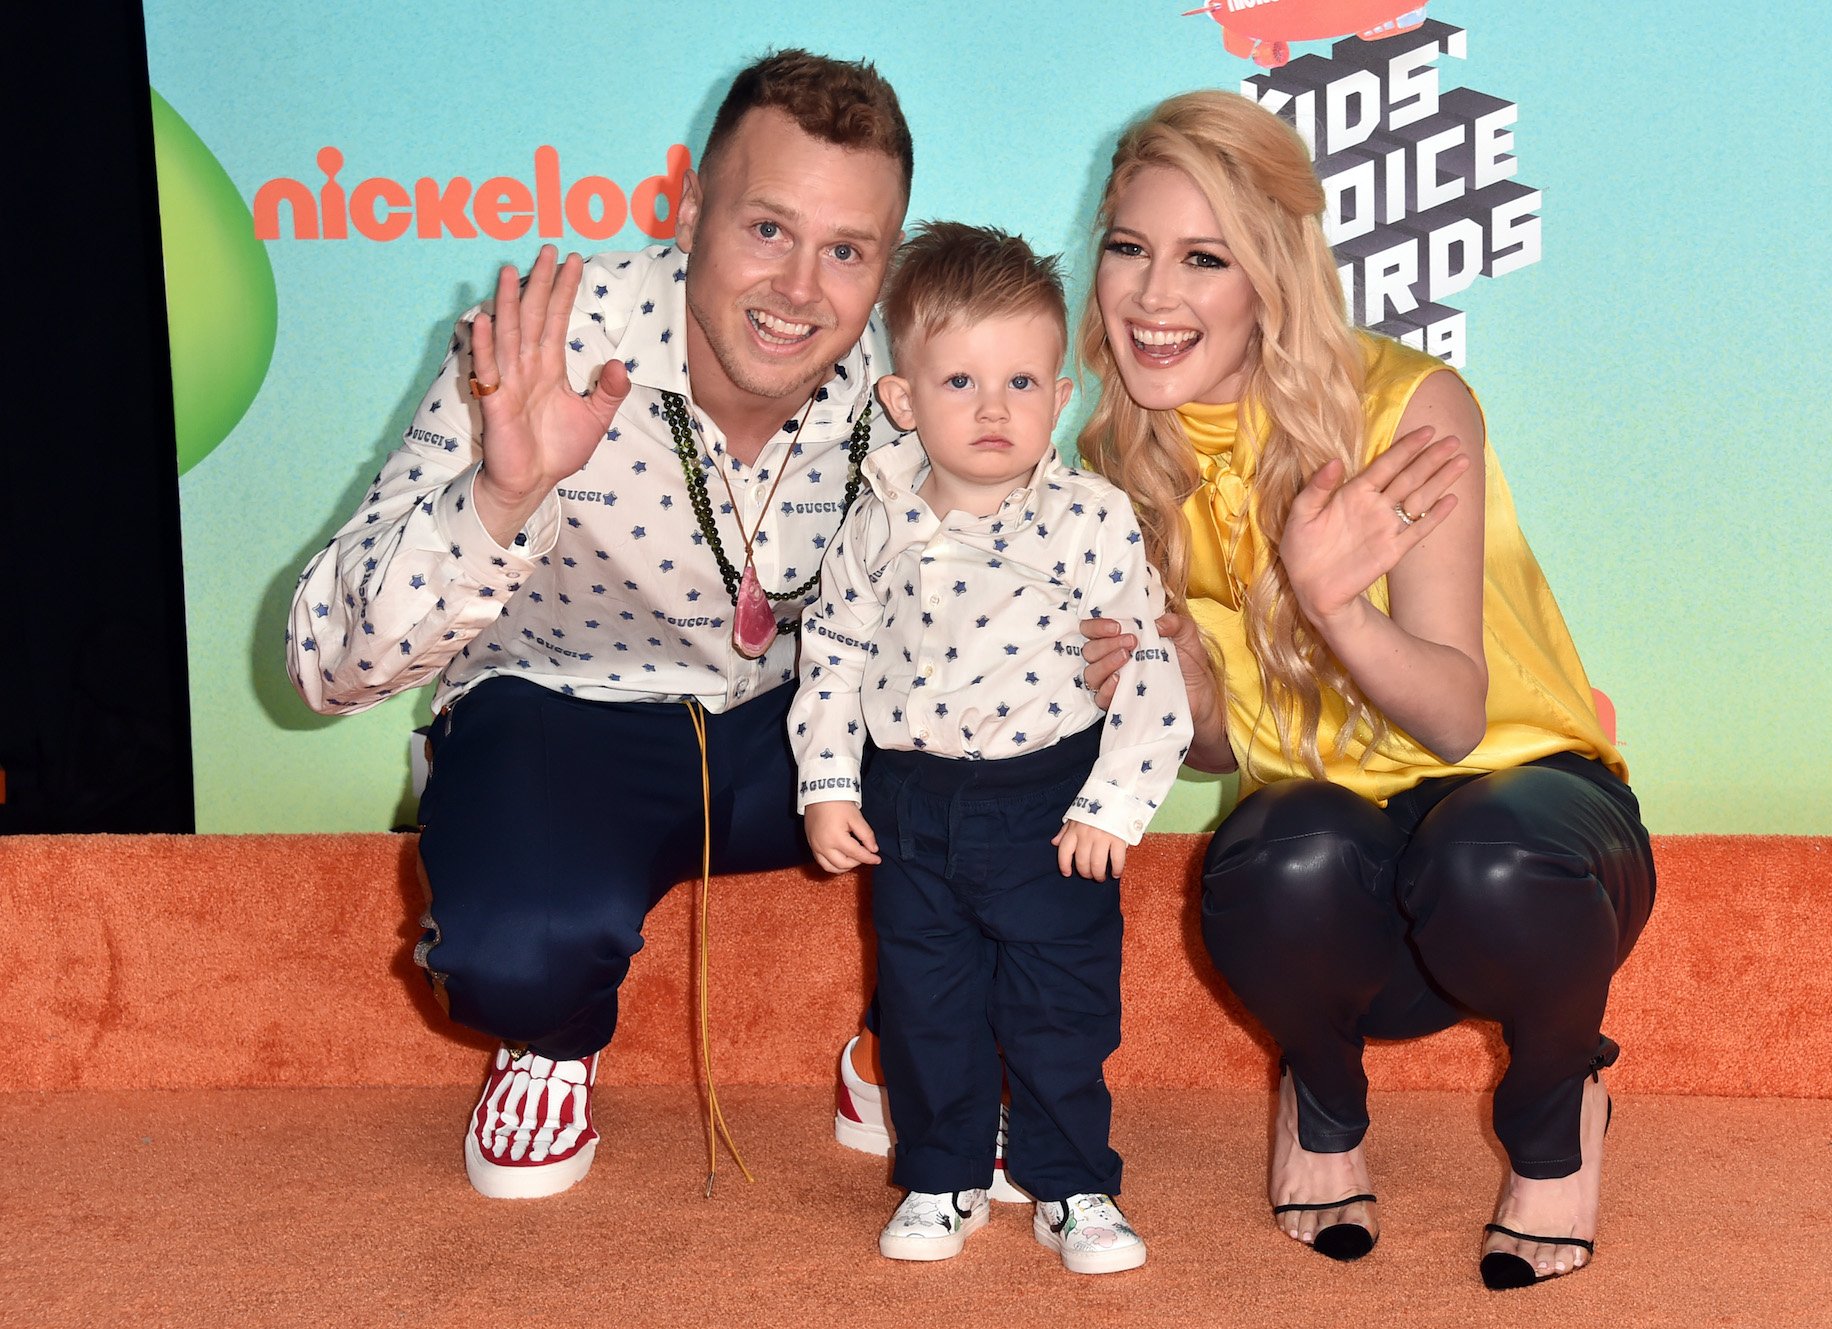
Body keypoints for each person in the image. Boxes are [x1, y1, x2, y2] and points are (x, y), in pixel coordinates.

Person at [285, 50, 923, 1200]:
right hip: (567, 714)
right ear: (687, 210)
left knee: (1018, 742)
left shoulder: (912, 383)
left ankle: (898, 1051)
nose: (798, 288)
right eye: (766, 228)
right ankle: (553, 1034)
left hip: (800, 730)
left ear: (885, 263)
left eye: (846, 251)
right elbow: (320, 672)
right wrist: (500, 497)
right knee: (509, 961)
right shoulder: (551, 342)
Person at [1074, 91, 1656, 1290]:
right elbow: (1219, 755)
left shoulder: (1407, 405)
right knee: (1268, 863)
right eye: (1128, 249)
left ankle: (1557, 1121)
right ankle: (1321, 1101)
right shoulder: (1119, 458)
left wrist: (1333, 604)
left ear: (1270, 276)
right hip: (1344, 852)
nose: (1151, 297)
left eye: (1202, 259)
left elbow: (1448, 715)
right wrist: (1174, 689)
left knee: (1488, 857)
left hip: (1531, 821)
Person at [792, 222, 1190, 1272]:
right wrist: (829, 784)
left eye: (1020, 380)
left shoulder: (1090, 520)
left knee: (1060, 1009)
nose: (991, 407)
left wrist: (1113, 804)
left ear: (1060, 399)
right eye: (959, 380)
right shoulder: (875, 523)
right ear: (902, 399)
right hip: (911, 805)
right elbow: (829, 653)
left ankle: (1071, 1186)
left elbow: (1143, 662)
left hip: (1048, 803)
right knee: (927, 1010)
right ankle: (942, 1175)